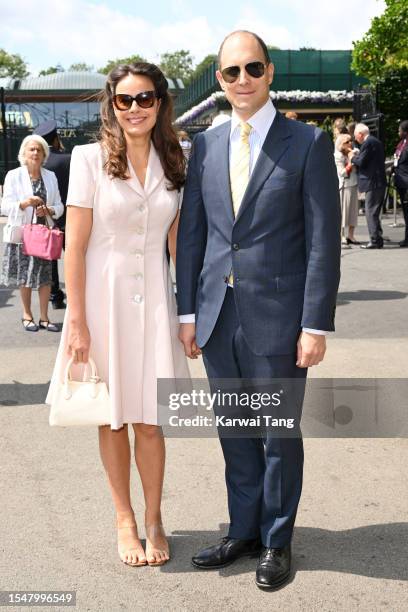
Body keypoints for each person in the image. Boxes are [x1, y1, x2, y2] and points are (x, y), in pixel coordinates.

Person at [176, 30, 341, 590]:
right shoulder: (207, 145)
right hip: (218, 316)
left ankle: (276, 539)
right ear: (220, 81)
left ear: (269, 72)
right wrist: (186, 314)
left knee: (277, 431)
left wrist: (315, 323)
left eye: (251, 69)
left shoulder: (308, 143)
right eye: (230, 72)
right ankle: (242, 529)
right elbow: (194, 236)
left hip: (281, 319)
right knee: (235, 430)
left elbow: (323, 242)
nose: (241, 80)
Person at [46, 62, 189, 567]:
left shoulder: (175, 157)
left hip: (155, 302)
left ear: (160, 103)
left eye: (144, 99)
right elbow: (75, 248)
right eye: (124, 100)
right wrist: (77, 321)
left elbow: (178, 242)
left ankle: (154, 519)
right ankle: (124, 520)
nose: (134, 109)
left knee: (150, 421)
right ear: (111, 105)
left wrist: (188, 312)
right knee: (111, 418)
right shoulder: (87, 159)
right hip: (102, 306)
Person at [0, 135, 64, 332]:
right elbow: (5, 206)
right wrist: (24, 203)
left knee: (45, 278)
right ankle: (27, 315)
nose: (35, 153)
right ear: (24, 153)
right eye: (32, 149)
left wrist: (50, 210)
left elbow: (60, 205)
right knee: (24, 276)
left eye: (39, 150)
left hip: (43, 235)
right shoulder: (14, 175)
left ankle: (45, 318)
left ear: (44, 154)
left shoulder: (50, 176)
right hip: (23, 236)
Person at [33, 120, 71, 308]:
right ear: (56, 139)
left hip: (46, 218)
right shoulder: (68, 158)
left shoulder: (36, 163)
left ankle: (55, 297)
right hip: (70, 217)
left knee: (50, 259)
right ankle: (78, 294)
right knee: (74, 257)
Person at [351, 123, 386, 249]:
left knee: (371, 212)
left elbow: (361, 162)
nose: (355, 139)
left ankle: (375, 240)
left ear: (360, 134)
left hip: (373, 182)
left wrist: (352, 157)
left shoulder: (368, 143)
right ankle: (378, 238)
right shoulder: (376, 141)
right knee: (374, 212)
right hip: (378, 181)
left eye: (355, 136)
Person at [334, 134, 359, 245]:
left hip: (354, 184)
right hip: (344, 185)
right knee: (344, 212)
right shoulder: (337, 155)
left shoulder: (355, 151)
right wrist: (351, 161)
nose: (350, 143)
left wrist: (353, 156)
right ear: (341, 144)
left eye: (351, 141)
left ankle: (351, 235)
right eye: (347, 142)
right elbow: (342, 172)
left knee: (353, 211)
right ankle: (342, 235)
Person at [393, 120, 408, 247]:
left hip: (406, 182)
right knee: (405, 211)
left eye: (400, 130)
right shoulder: (401, 144)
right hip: (401, 183)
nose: (398, 132)